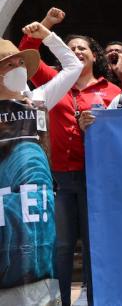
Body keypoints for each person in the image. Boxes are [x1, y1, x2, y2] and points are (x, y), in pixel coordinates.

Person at [19, 8, 121, 306]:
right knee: (62, 245)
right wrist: (44, 26)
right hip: (62, 175)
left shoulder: (112, 90)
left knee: (93, 244)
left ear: (94, 56)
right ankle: (62, 301)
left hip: (97, 178)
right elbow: (27, 56)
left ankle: (93, 299)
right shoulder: (54, 80)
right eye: (72, 47)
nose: (76, 51)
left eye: (82, 48)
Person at [0, 20, 82, 305]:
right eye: (10, 65)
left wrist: (48, 35)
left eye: (20, 62)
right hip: (4, 210)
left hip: (37, 207)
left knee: (40, 264)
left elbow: (74, 68)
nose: (18, 68)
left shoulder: (38, 98)